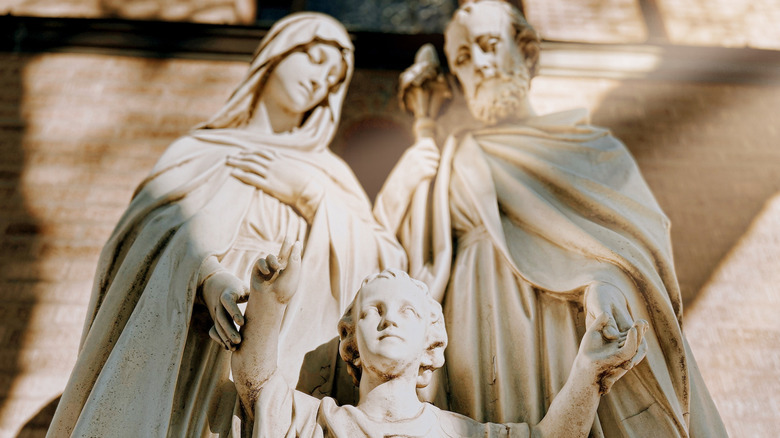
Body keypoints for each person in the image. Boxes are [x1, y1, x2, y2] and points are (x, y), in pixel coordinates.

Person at [374, 1, 727, 436]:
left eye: (489, 45)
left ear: (526, 52)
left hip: (565, 321)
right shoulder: (452, 156)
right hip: (472, 324)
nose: (480, 64)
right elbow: (399, 258)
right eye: (463, 58)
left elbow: (638, 252)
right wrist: (415, 158)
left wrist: (604, 285)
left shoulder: (594, 151)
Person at [47, 13, 406, 438]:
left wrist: (310, 195)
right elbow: (140, 242)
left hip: (282, 343)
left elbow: (386, 262)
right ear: (275, 53)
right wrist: (206, 277)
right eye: (313, 58)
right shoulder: (198, 150)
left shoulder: (326, 173)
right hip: (189, 333)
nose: (319, 82)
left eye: (332, 79)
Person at [232, 243, 647, 437]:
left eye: (406, 312)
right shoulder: (316, 422)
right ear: (350, 341)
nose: (388, 318)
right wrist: (270, 301)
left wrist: (588, 373)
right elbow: (257, 381)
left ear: (432, 342)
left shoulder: (460, 434)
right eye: (372, 310)